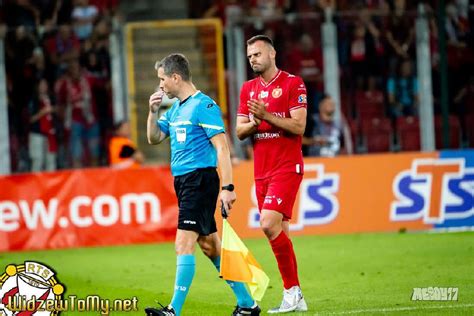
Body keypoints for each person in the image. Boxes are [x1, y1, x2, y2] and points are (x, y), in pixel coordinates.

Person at [144, 54, 260, 316]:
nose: (160, 85)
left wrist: (228, 188)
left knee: (183, 243)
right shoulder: (174, 109)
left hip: (200, 180)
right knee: (210, 246)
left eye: (162, 79)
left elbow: (222, 148)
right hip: (184, 182)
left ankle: (174, 310)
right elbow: (153, 138)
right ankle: (247, 304)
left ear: (176, 77)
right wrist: (152, 113)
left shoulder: (203, 105)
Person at [236, 35, 308, 313]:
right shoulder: (248, 89)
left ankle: (292, 291)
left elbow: (299, 126)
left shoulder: (293, 83)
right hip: (261, 171)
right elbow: (240, 131)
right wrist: (255, 123)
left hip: (287, 166)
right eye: (249, 55)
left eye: (257, 54)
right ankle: (295, 296)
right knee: (279, 232)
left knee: (267, 223)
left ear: (272, 54)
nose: (252, 59)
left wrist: (267, 115)